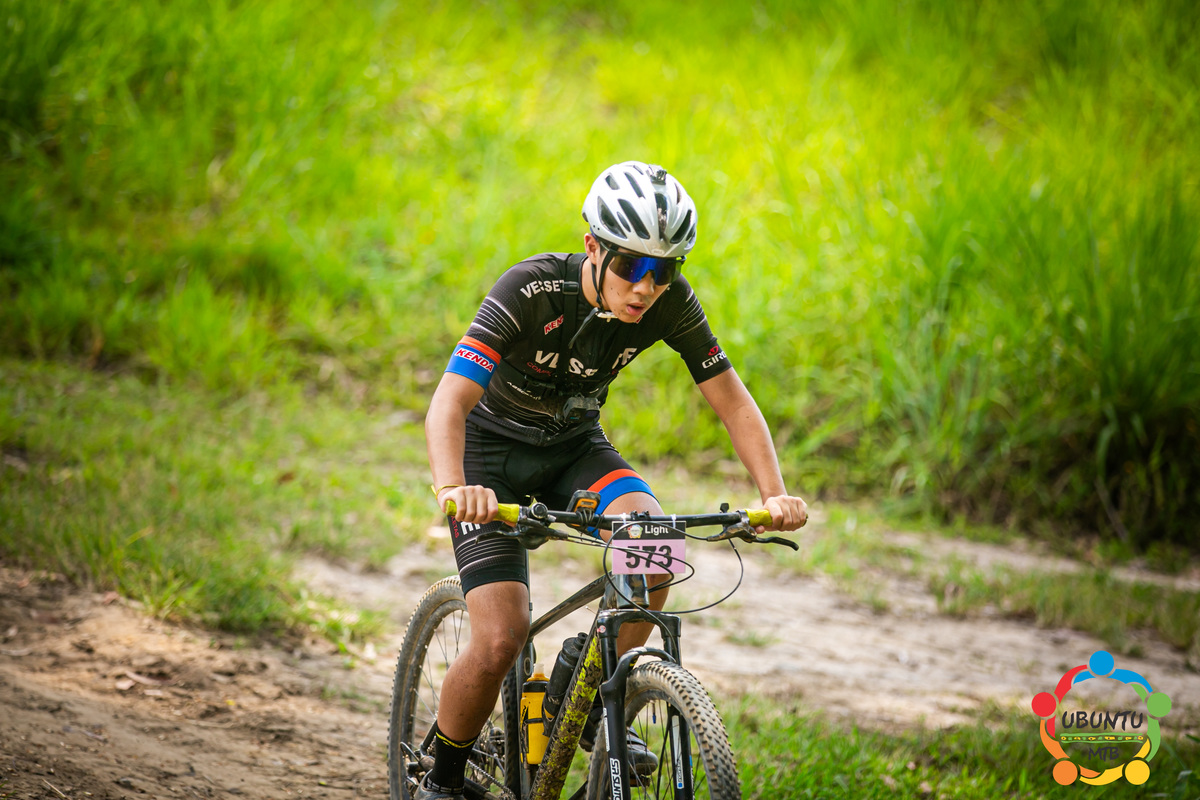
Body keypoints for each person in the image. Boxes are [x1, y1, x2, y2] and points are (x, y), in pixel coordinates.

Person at [420, 160, 808, 799]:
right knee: (500, 638)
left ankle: (581, 689)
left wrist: (774, 493)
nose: (646, 287)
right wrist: (453, 488)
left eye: (666, 270)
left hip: (574, 449)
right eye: (631, 265)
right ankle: (443, 777)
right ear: (593, 248)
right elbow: (448, 404)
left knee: (655, 551)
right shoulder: (531, 290)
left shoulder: (669, 303)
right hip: (489, 459)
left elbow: (733, 401)